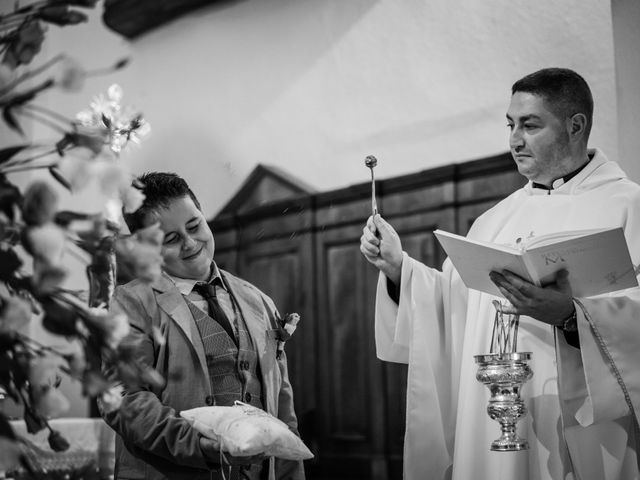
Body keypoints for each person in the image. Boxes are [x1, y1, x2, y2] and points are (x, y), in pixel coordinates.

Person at [360, 68, 640, 480]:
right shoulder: (494, 220)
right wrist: (399, 269)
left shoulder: (626, 207)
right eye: (510, 125)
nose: (514, 140)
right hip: (490, 429)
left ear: (575, 125)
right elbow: (454, 307)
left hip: (584, 432)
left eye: (529, 125)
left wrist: (570, 317)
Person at [101, 172, 305, 480]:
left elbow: (282, 402)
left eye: (195, 226)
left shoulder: (257, 299)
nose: (190, 243)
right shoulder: (131, 304)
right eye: (171, 239)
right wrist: (198, 445)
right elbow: (125, 399)